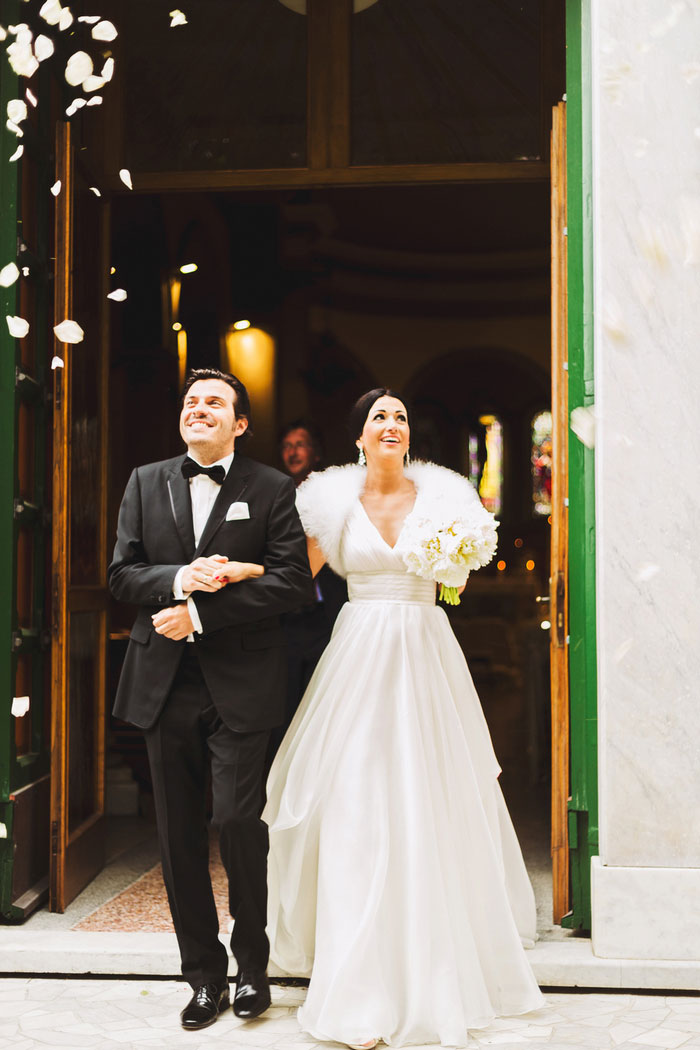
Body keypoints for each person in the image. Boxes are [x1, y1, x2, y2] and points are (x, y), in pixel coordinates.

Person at [263, 389, 544, 1048]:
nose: (391, 425)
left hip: (424, 652)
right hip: (358, 653)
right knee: (355, 803)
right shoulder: (331, 505)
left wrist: (451, 560)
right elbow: (290, 579)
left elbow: (453, 590)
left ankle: (430, 964)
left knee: (428, 800)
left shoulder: (445, 501)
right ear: (358, 435)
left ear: (408, 435)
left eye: (400, 417)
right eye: (377, 417)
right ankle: (356, 980)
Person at [108, 368, 312, 1031]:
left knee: (238, 825)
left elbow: (290, 582)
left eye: (215, 402)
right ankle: (202, 977)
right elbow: (121, 573)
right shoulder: (144, 481)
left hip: (242, 681)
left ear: (240, 422)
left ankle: (252, 966)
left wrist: (199, 614)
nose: (200, 409)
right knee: (177, 837)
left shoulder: (272, 487)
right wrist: (176, 579)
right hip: (162, 681)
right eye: (192, 402)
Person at [272, 421, 347, 757]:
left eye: (300, 444)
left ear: (315, 452)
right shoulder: (271, 495)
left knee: (325, 710)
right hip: (284, 620)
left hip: (326, 616)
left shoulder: (335, 495)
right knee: (283, 712)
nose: (293, 451)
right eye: (287, 445)